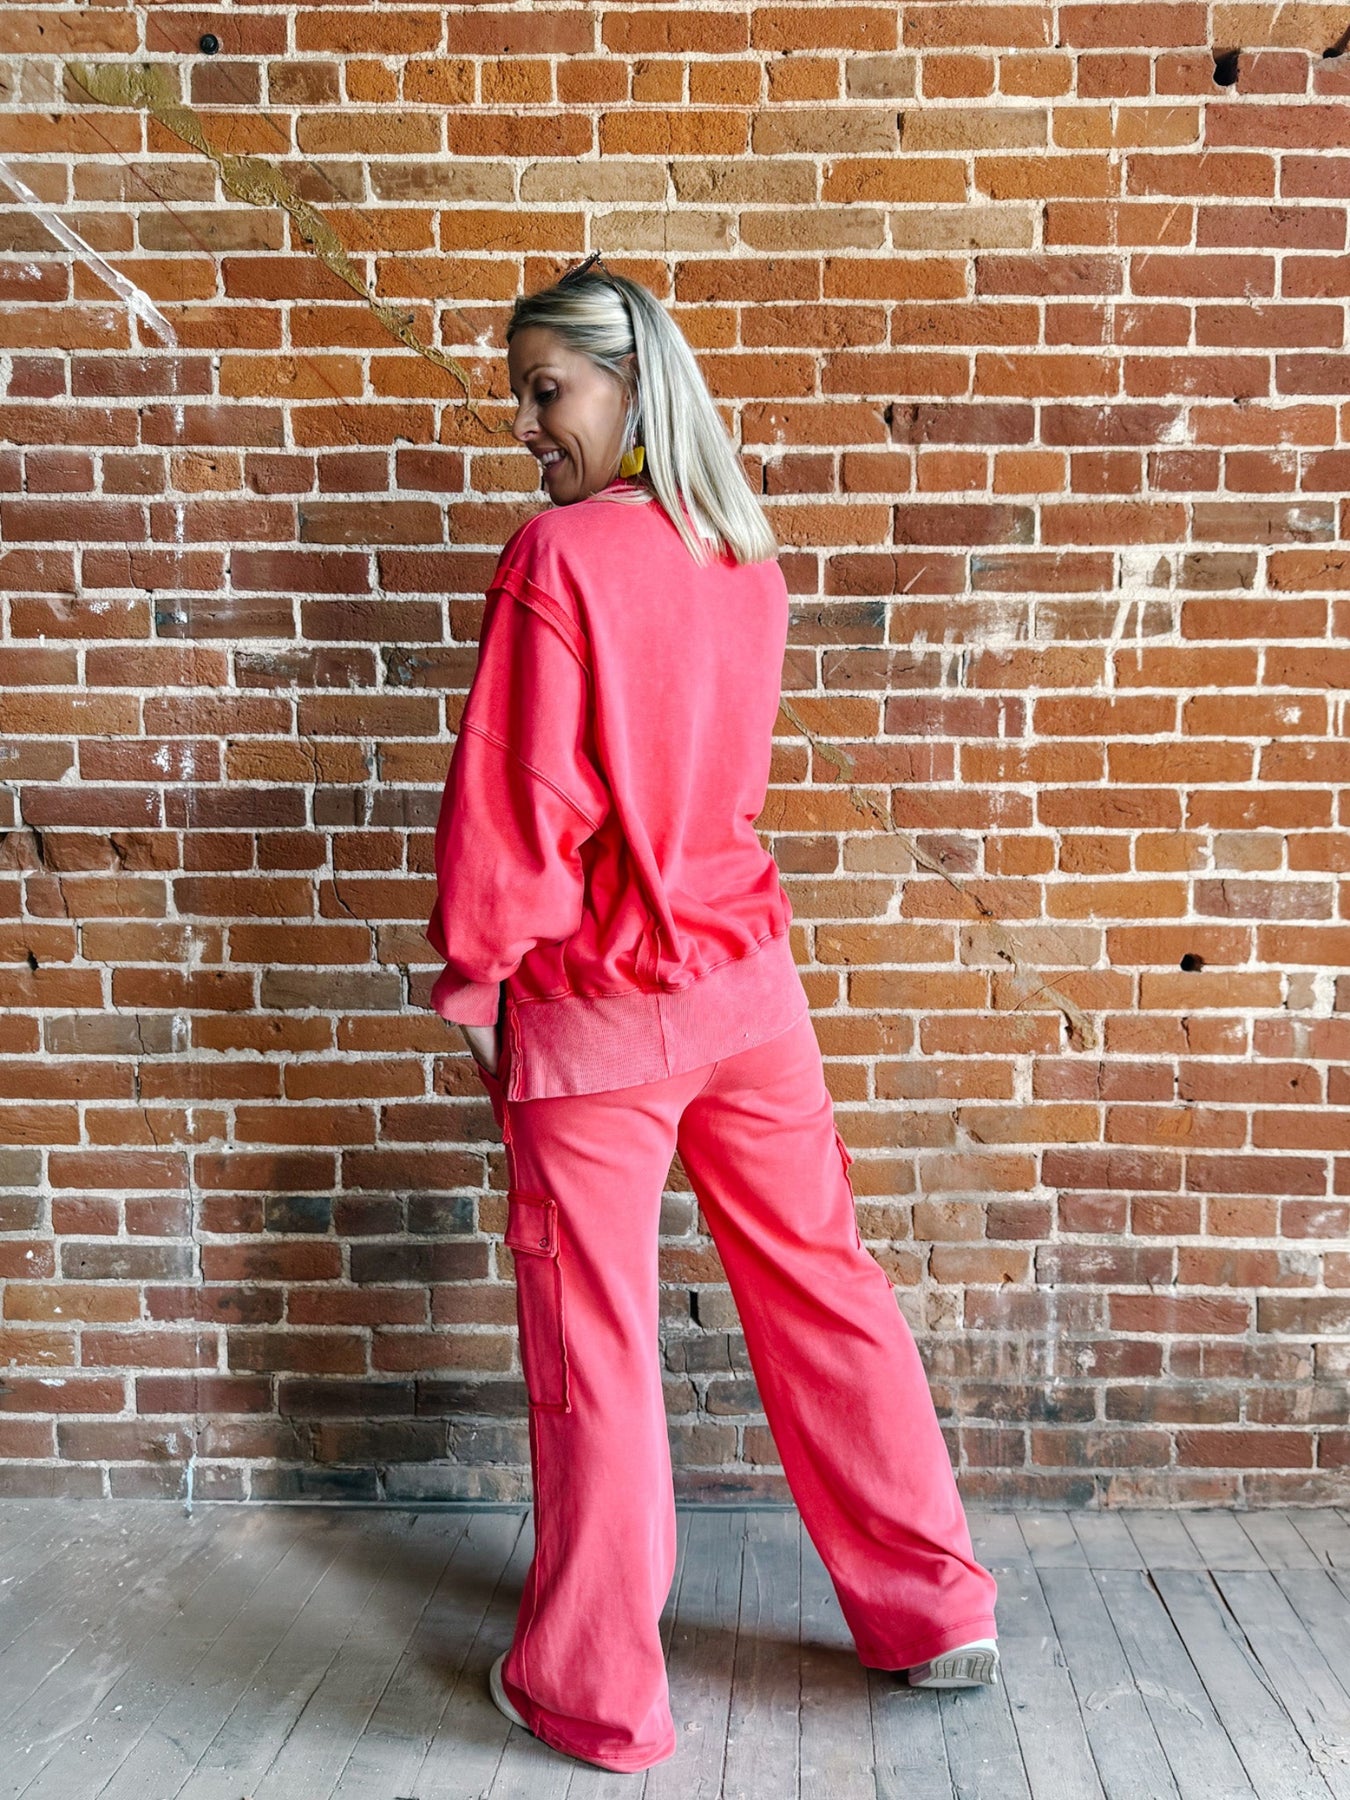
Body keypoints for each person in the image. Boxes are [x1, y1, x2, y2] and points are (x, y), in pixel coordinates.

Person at [423, 253, 1000, 1775]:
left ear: (627, 382)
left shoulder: (558, 558)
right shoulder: (743, 552)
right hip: (746, 993)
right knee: (825, 1289)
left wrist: (476, 978)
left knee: (598, 1344)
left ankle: (594, 1690)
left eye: (546, 390)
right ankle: (934, 1609)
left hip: (595, 1013)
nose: (528, 425)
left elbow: (523, 799)